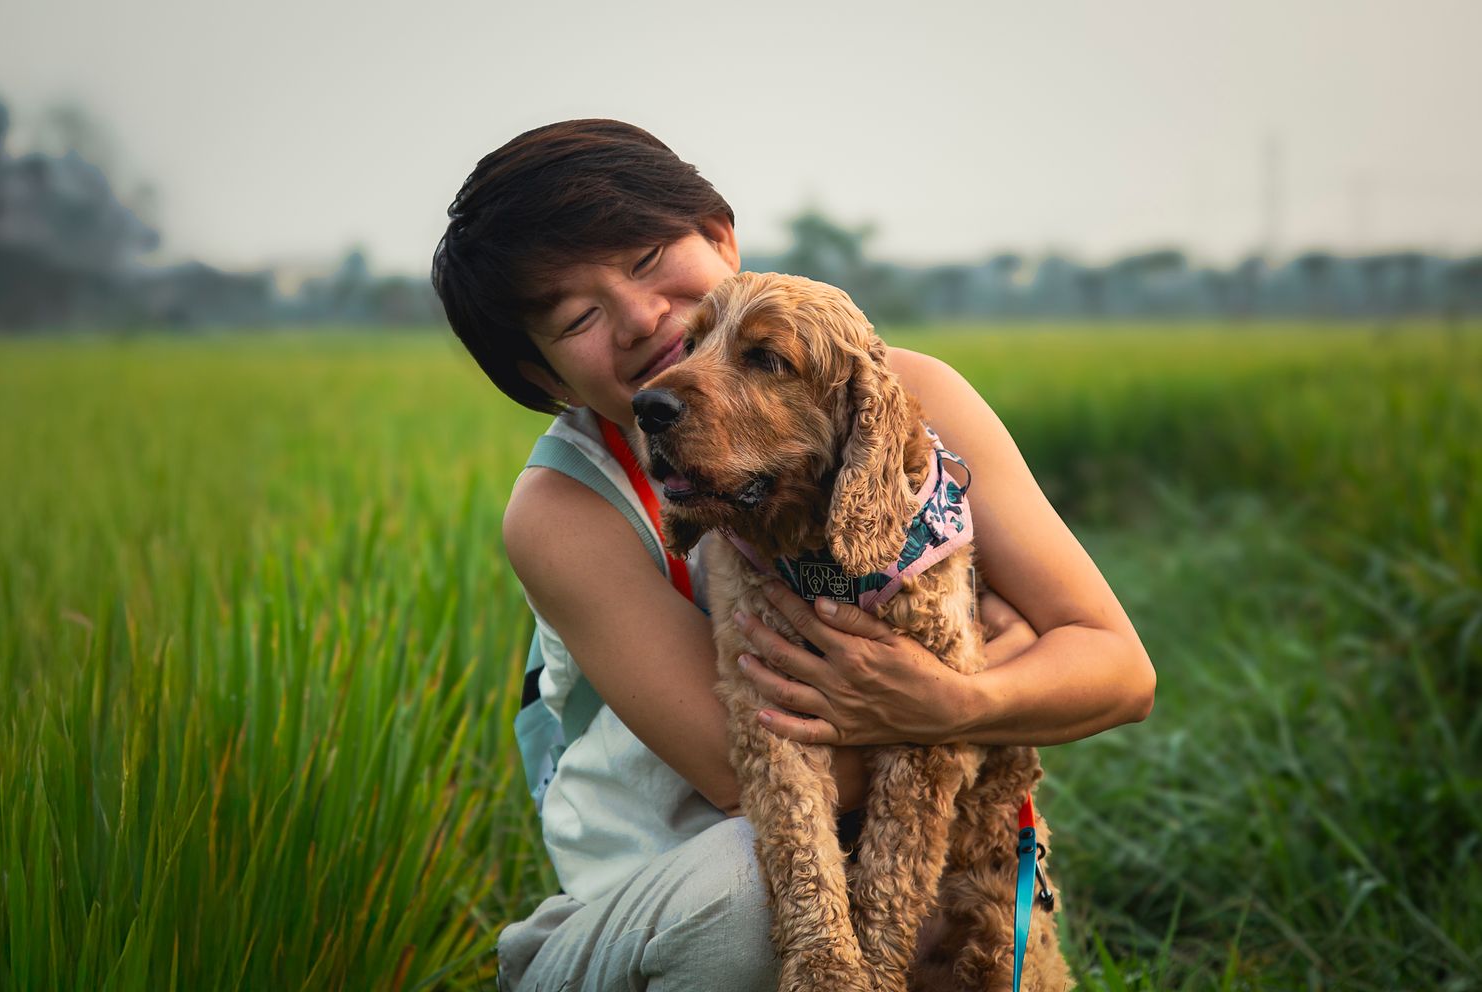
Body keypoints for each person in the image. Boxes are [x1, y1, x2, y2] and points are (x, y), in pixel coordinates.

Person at [432, 119, 1156, 992]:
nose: (641, 318)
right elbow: (751, 778)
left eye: (649, 256)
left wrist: (962, 696)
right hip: (648, 918)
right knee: (750, 894)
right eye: (578, 317)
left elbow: (1117, 668)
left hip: (894, 880)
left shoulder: (900, 395)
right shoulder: (568, 507)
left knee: (975, 933)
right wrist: (959, 689)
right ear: (543, 376)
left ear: (723, 237)